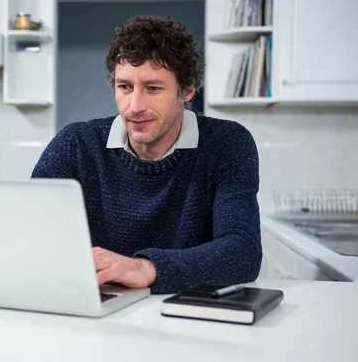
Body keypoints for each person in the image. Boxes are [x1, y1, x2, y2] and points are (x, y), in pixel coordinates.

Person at [31, 15, 262, 294]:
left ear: (187, 90)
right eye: (125, 87)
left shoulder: (227, 143)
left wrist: (146, 268)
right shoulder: (75, 144)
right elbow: (31, 235)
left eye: (153, 88)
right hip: (95, 309)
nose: (135, 106)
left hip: (185, 316)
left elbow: (242, 252)